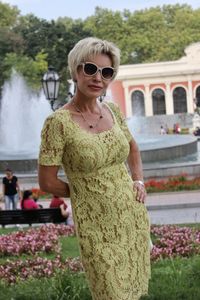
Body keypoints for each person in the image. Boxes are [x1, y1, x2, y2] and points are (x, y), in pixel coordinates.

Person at [38, 37, 151, 300]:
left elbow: (133, 148)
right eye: (90, 68)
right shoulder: (58, 123)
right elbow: (47, 182)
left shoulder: (112, 109)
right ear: (76, 71)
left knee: (132, 291)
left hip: (130, 216)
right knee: (110, 291)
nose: (98, 77)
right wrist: (84, 191)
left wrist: (139, 181)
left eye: (107, 72)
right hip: (95, 224)